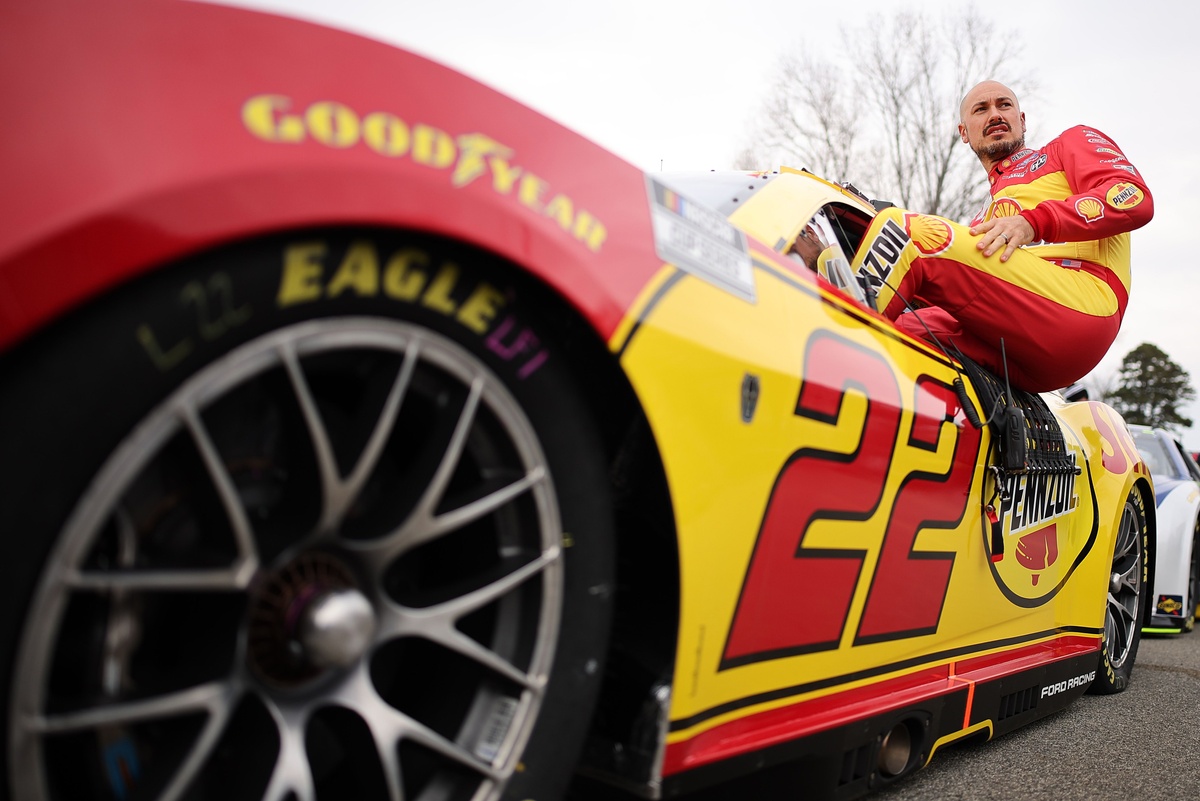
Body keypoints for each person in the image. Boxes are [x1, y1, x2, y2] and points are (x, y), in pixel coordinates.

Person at [850, 80, 1153, 392]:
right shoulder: (981, 218)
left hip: (1082, 307)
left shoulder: (1067, 145)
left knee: (907, 230)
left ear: (1022, 120)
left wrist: (1033, 222)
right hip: (1018, 352)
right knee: (903, 326)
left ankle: (831, 349)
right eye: (981, 109)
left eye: (1004, 105)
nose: (994, 114)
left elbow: (1133, 196)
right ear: (964, 133)